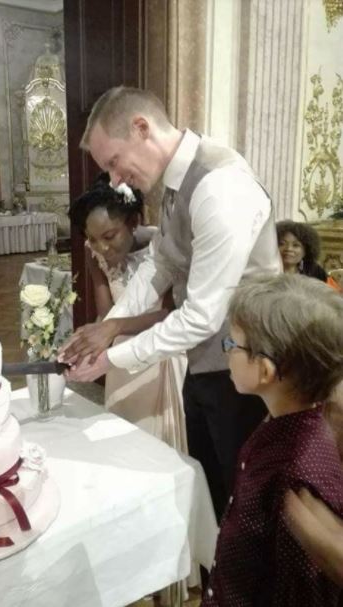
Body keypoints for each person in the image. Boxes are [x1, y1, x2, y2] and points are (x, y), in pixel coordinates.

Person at [59, 86, 281, 520]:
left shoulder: (219, 185)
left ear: (141, 128)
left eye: (113, 162)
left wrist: (112, 357)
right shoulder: (176, 186)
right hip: (206, 367)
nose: (114, 180)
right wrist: (108, 327)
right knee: (209, 488)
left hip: (246, 370)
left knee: (244, 503)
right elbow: (161, 262)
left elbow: (199, 318)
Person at [201, 273, 343, 605]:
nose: (227, 352)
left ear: (265, 370)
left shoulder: (297, 475)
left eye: (232, 344)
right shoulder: (282, 422)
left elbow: (304, 595)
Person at [69, 173, 187, 450]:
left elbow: (168, 315)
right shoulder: (93, 251)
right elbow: (106, 311)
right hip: (119, 350)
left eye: (109, 236)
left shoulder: (161, 246)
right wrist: (89, 343)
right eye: (92, 239)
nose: (102, 247)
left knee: (155, 443)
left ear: (133, 222)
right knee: (121, 437)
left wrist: (113, 328)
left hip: (158, 350)